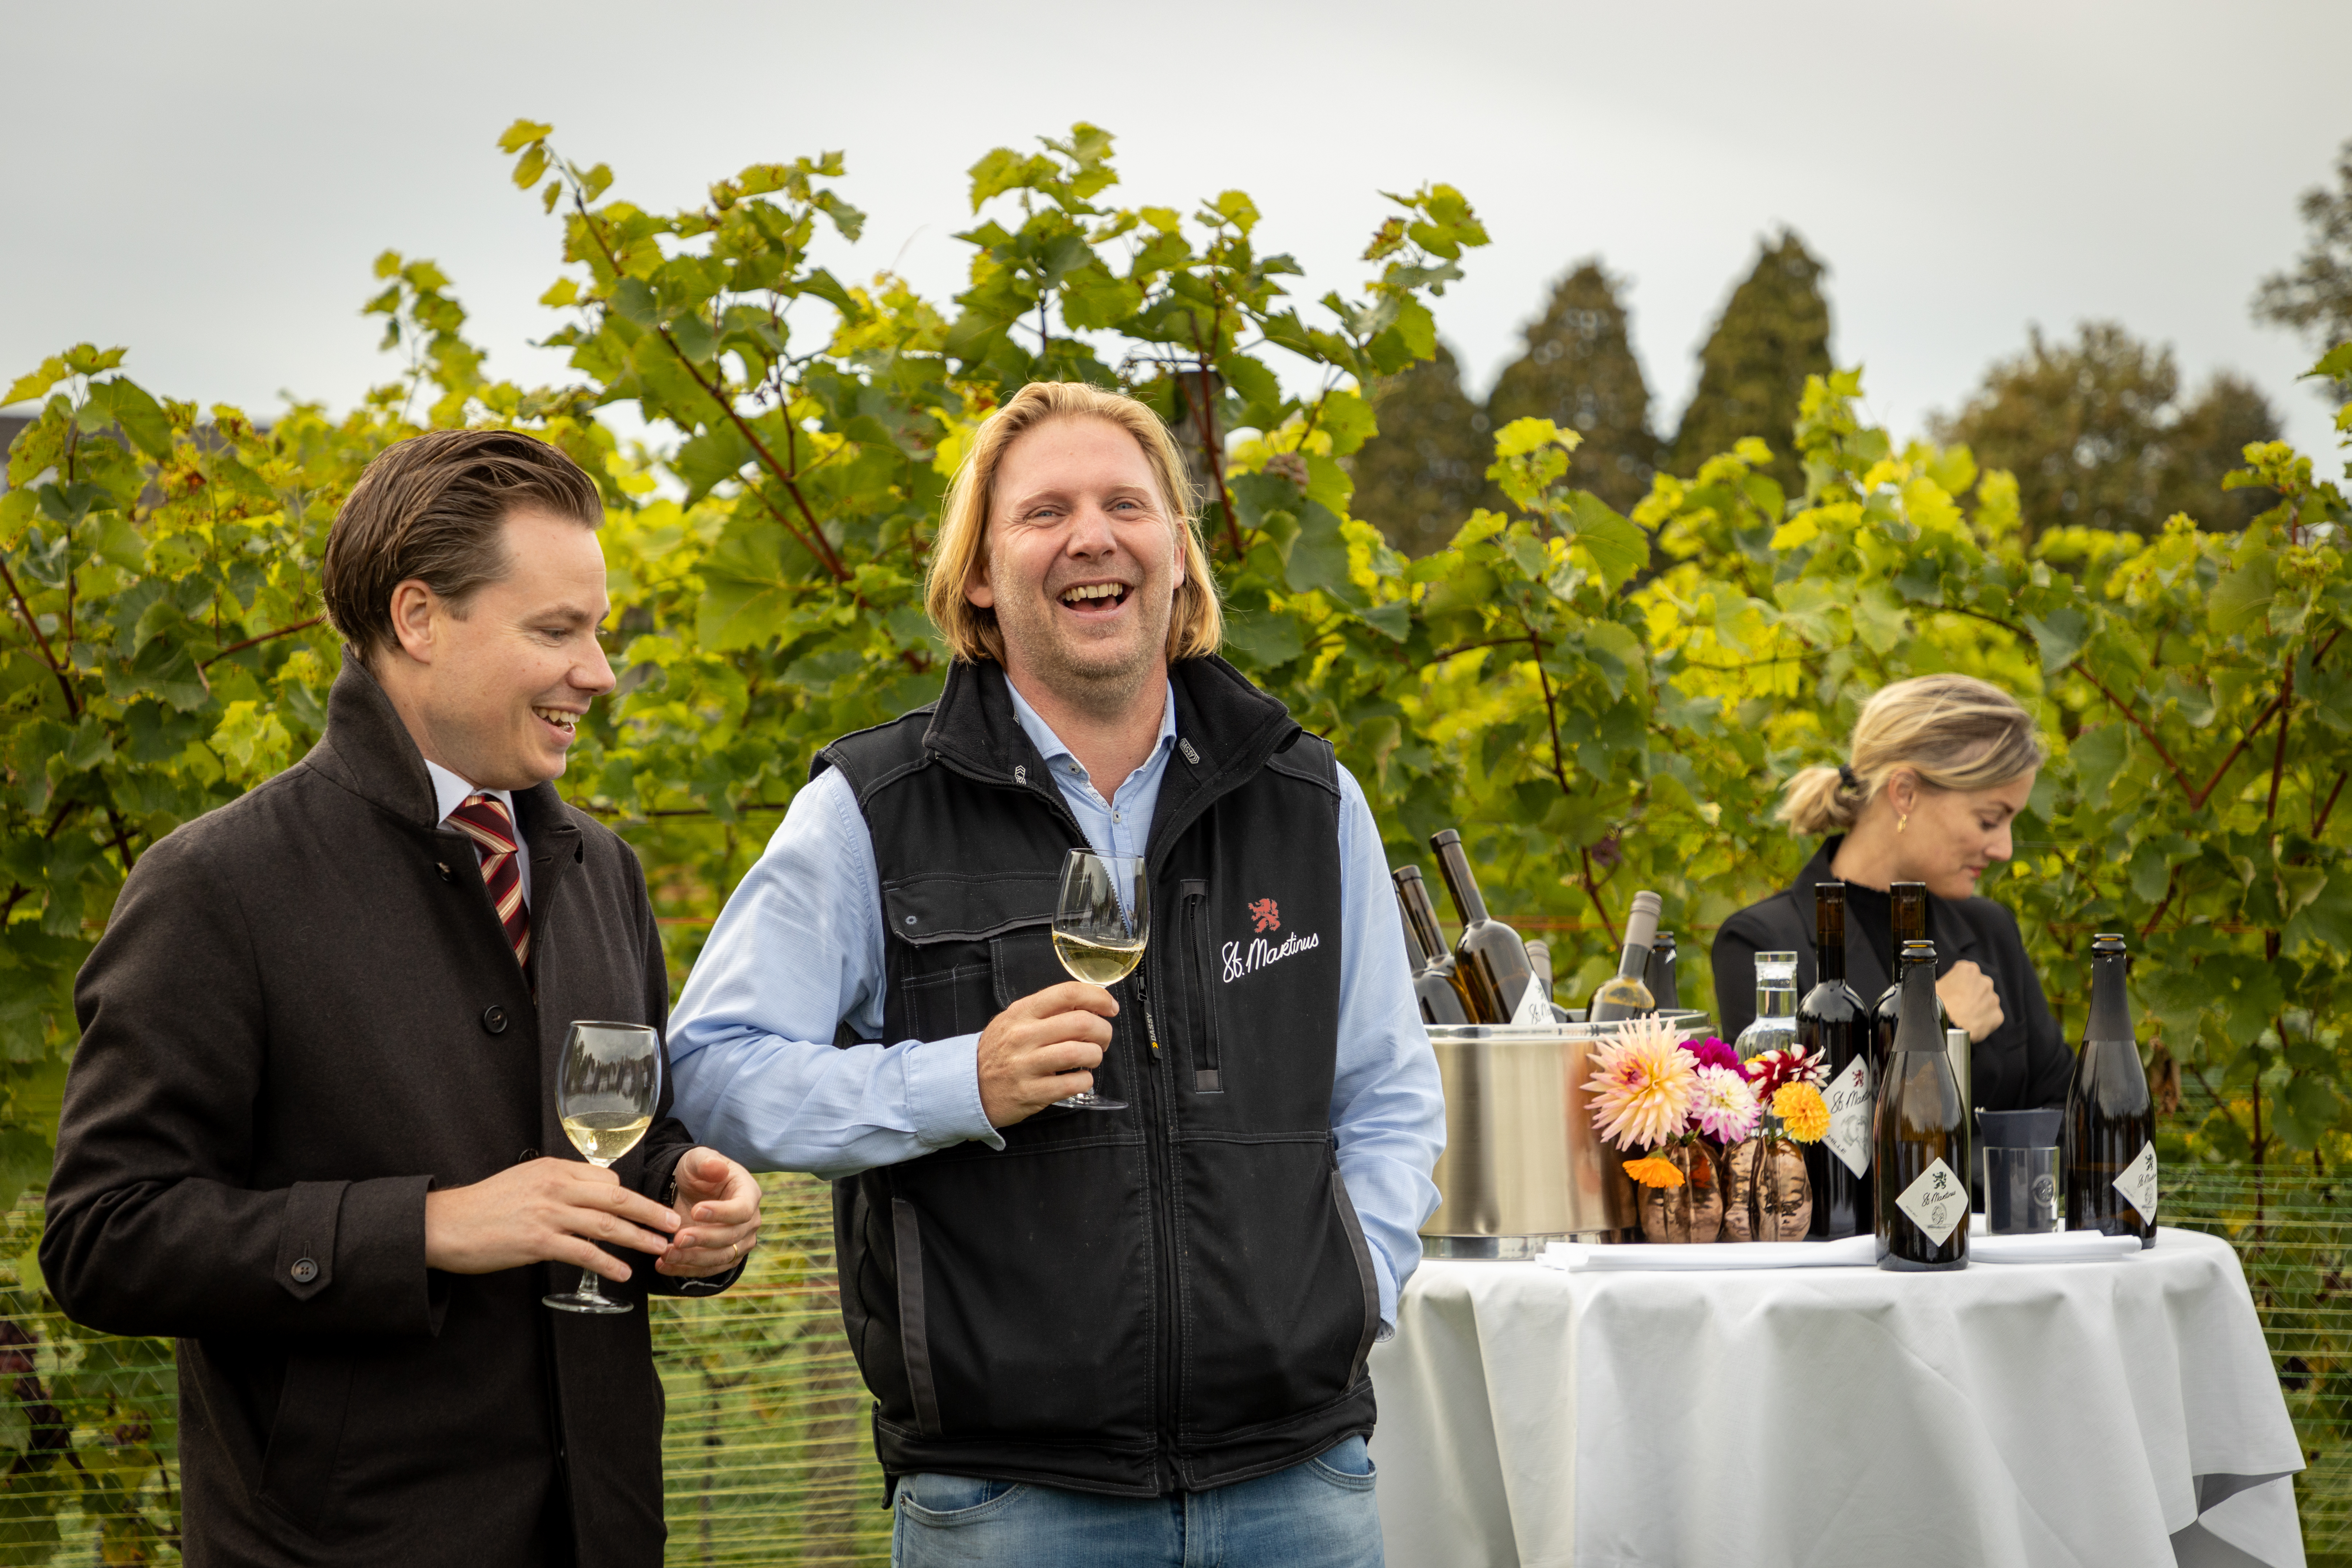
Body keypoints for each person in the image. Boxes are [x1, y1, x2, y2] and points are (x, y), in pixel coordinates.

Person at [666, 382, 1444, 1567]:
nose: (1091, 533)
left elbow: (1387, 1089)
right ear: (978, 573)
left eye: (1126, 502)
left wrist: (1354, 1292)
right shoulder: (867, 811)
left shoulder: (1306, 796)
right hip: (1007, 1505)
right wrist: (955, 1081)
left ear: (1176, 553)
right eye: (1042, 511)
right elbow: (715, 1073)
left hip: (1301, 1487)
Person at [40, 429, 764, 1568]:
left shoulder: (601, 873)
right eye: (557, 630)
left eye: (599, 630)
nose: (601, 672)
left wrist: (684, 1200)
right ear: (419, 619)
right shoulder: (216, 886)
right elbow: (103, 1235)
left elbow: (611, 1134)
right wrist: (424, 1227)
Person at [1712, 673, 2072, 1112]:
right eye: (1988, 820)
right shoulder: (1764, 945)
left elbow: (2061, 1111)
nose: (2004, 849)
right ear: (1904, 793)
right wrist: (1933, 1025)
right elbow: (1790, 1136)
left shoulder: (1990, 930)